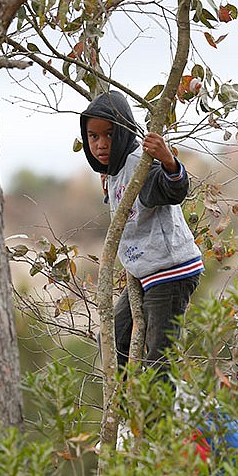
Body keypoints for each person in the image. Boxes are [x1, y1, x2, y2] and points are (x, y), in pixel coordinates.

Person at [81, 90, 204, 380]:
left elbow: (172, 190)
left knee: (161, 360)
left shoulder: (139, 162)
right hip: (144, 273)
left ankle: (158, 423)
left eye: (109, 135)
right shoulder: (113, 170)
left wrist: (169, 162)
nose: (101, 144)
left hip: (171, 271)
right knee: (111, 341)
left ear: (124, 133)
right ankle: (130, 415)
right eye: (93, 137)